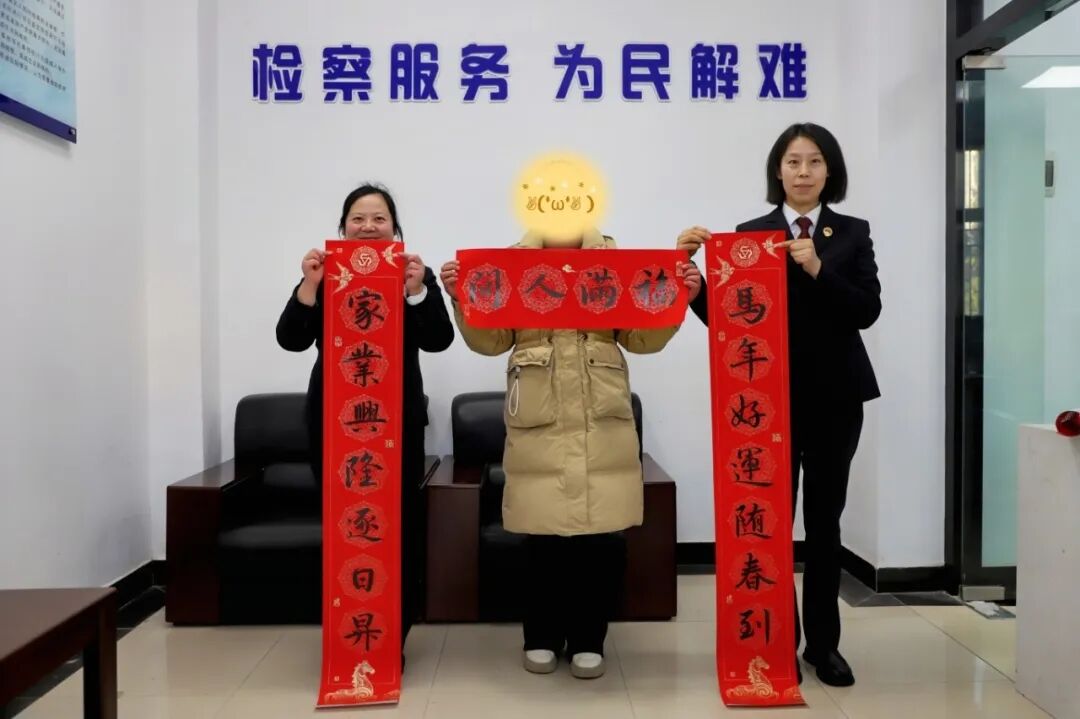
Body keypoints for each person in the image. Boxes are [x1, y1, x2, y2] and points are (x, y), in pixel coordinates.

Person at [439, 228, 701, 679]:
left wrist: (674, 293)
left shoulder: (614, 260)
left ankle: (588, 638)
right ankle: (540, 635)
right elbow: (492, 340)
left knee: (599, 539)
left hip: (601, 419)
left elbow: (641, 338)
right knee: (541, 538)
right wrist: (463, 297)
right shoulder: (511, 263)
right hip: (538, 418)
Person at [676, 123, 881, 687]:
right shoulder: (750, 234)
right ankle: (776, 642)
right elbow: (732, 320)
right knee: (768, 526)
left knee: (824, 525)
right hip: (766, 402)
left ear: (830, 171)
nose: (803, 172)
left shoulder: (852, 233)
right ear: (778, 171)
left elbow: (866, 310)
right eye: (793, 162)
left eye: (814, 162)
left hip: (836, 399)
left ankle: (825, 645)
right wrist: (695, 288)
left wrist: (818, 268)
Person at [276, 183, 454, 665]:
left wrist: (417, 292)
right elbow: (291, 339)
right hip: (334, 422)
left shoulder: (415, 273)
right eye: (358, 218)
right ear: (343, 227)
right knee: (345, 528)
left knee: (398, 529)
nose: (368, 227)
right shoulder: (323, 272)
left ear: (394, 228)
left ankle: (390, 640)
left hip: (396, 422)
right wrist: (309, 286)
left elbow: (439, 339)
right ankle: (347, 634)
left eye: (379, 219)